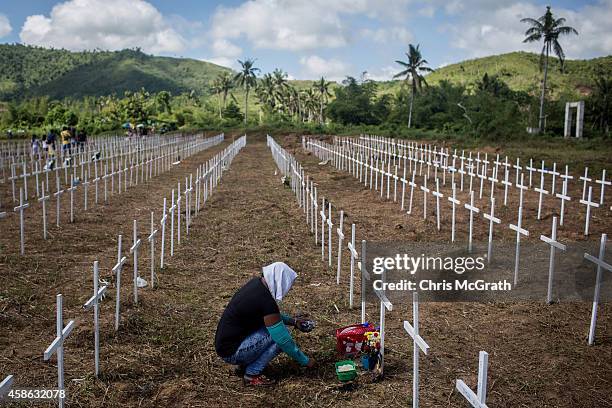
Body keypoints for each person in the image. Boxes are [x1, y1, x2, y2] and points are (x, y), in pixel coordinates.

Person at [215, 262, 315, 386]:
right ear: (280, 281)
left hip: (225, 346)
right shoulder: (266, 301)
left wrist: (293, 321)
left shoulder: (257, 285)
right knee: (280, 338)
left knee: (275, 331)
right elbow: (283, 340)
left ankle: (246, 364)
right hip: (232, 352)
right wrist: (306, 361)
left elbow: (270, 315)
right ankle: (251, 374)